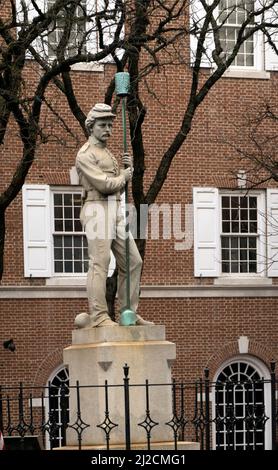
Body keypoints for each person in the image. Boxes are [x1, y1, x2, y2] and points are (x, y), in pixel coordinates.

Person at [75, 103, 153, 327]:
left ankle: (128, 313)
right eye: (102, 125)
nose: (108, 129)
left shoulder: (107, 151)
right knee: (100, 262)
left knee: (133, 261)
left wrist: (124, 170)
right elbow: (106, 185)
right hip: (96, 208)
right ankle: (99, 316)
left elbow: (115, 183)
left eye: (110, 125)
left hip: (114, 209)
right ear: (92, 126)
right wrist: (125, 176)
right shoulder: (85, 154)